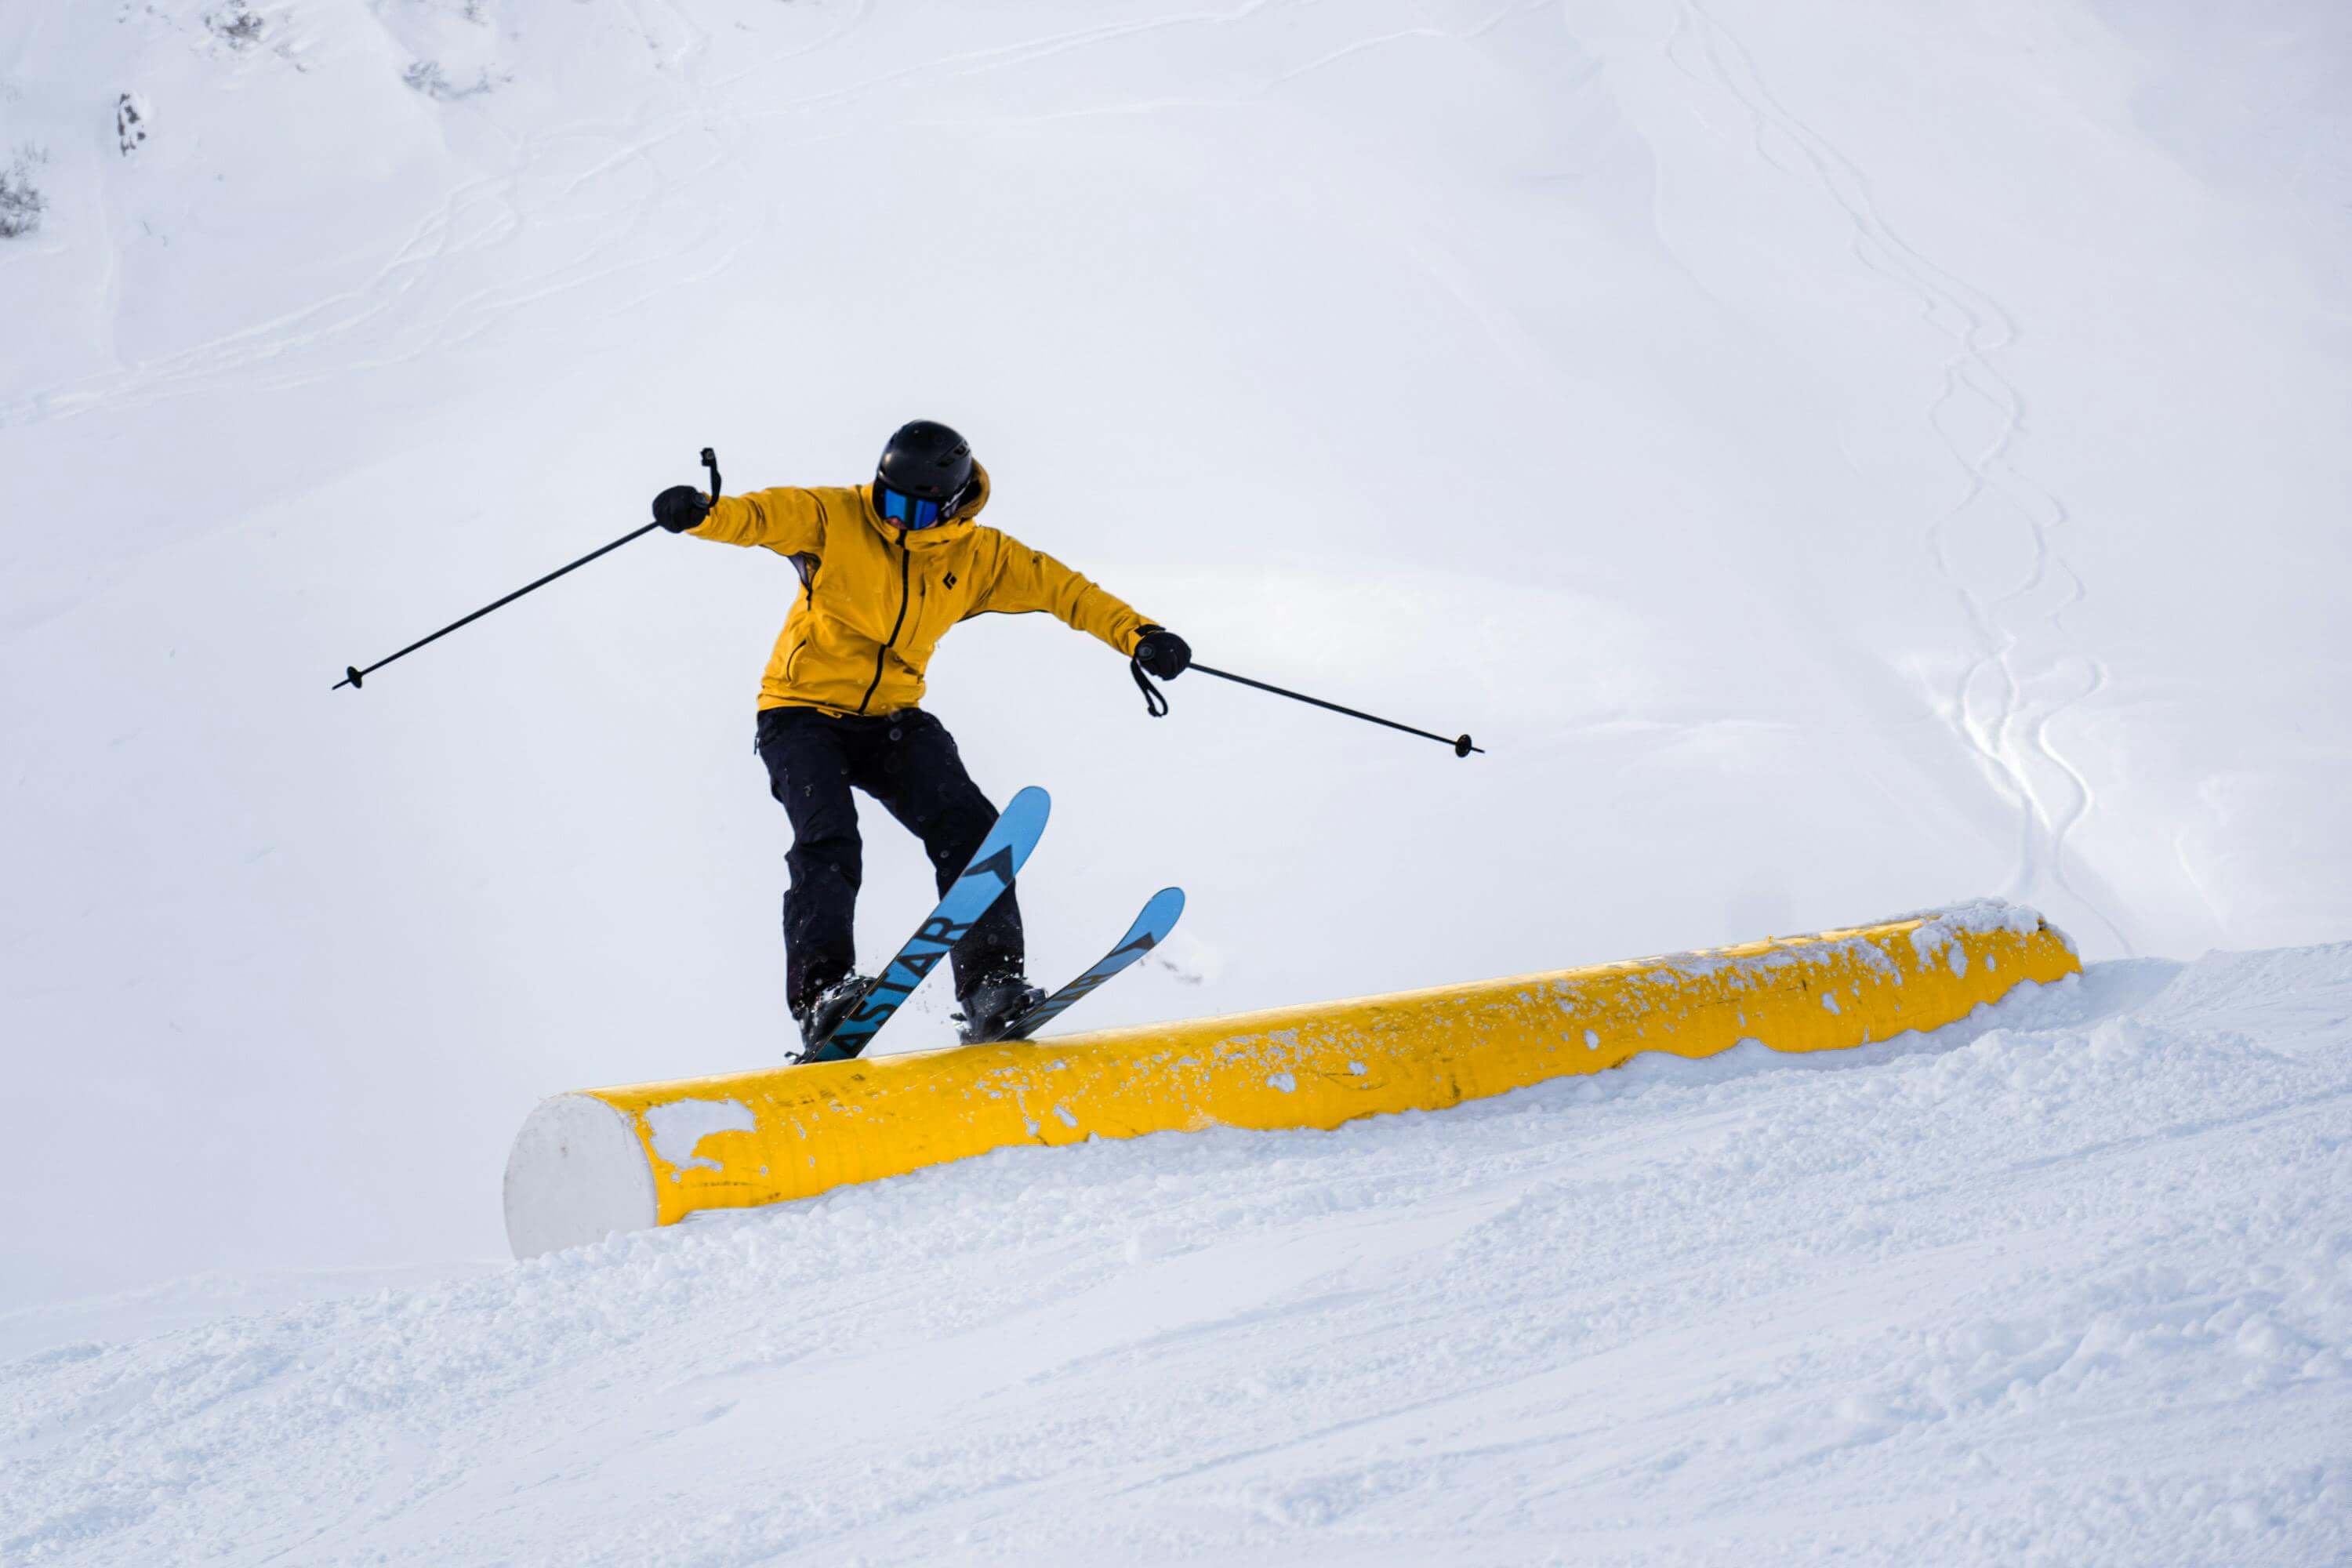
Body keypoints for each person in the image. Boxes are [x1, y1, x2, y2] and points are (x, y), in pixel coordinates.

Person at [651, 420, 1192, 1054]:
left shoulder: (981, 556)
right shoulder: (834, 516)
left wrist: (1140, 635)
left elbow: (1066, 591)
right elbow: (760, 516)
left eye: (915, 510)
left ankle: (991, 987)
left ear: (955, 503)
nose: (896, 519)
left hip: (891, 717)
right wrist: (703, 513)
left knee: (974, 831)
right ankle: (823, 994)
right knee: (828, 839)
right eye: (889, 500)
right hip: (799, 714)